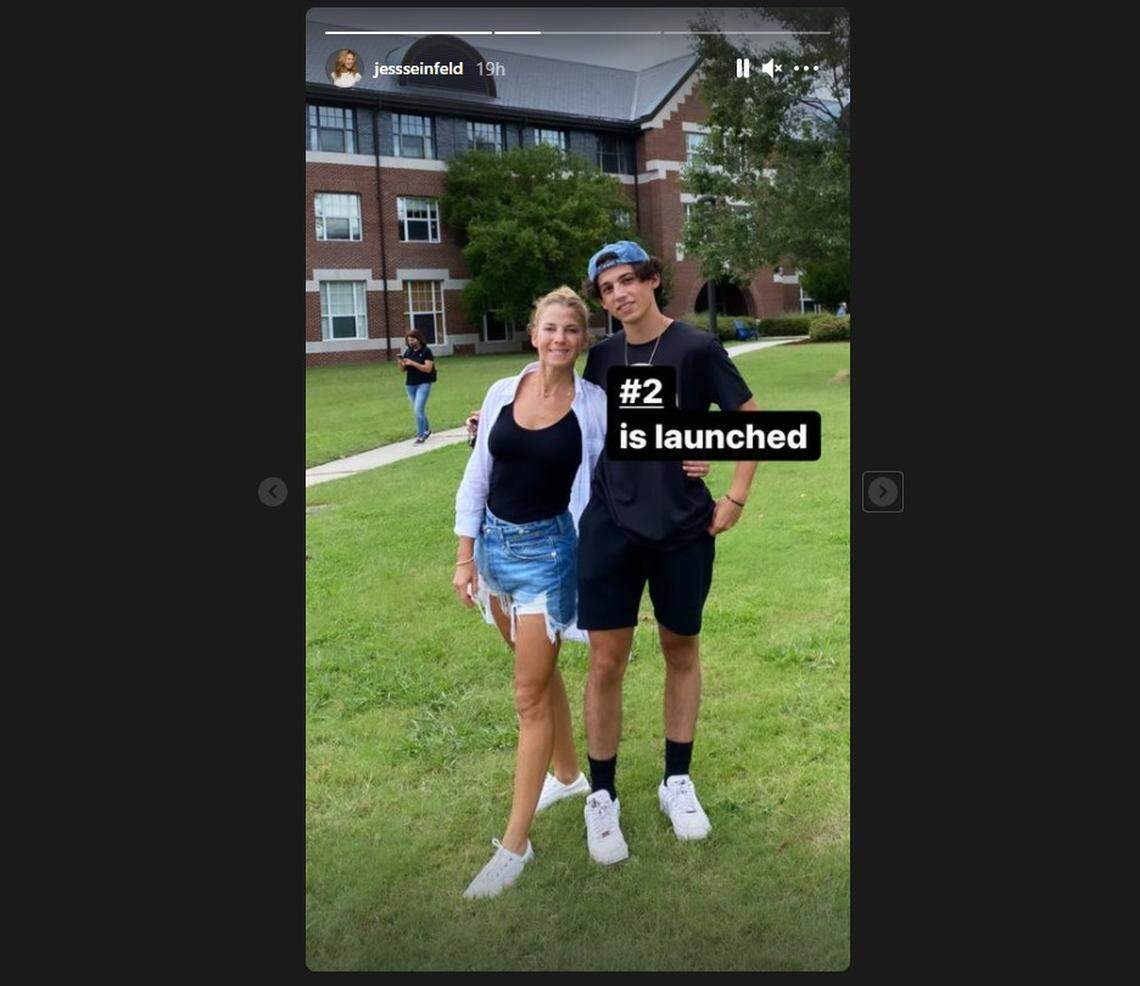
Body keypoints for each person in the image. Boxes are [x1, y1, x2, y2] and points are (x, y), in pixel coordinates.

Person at [453, 286, 710, 898]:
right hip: (494, 554)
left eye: (572, 329)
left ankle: (515, 847)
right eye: (550, 328)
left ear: (584, 339)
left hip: (551, 555)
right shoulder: (500, 392)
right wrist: (464, 556)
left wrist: (700, 448)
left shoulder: (595, 403)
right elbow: (478, 474)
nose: (560, 338)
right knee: (539, 676)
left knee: (528, 693)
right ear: (533, 333)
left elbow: (649, 434)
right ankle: (567, 775)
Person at [575, 241, 761, 865]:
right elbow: (573, 421)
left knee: (680, 647)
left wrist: (733, 494)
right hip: (610, 527)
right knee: (606, 659)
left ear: (654, 281)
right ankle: (601, 797)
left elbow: (750, 417)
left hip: (683, 527)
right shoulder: (600, 358)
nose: (620, 294)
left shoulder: (696, 349)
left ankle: (675, 780)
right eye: (607, 289)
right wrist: (486, 420)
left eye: (629, 281)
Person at [399, 330, 435, 444]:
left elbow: (428, 368)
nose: (411, 342)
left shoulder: (426, 351)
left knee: (418, 409)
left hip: (423, 383)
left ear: (419, 339)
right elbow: (402, 370)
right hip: (410, 384)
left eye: (413, 340)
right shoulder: (408, 352)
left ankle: (421, 435)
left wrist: (412, 363)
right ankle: (427, 429)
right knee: (418, 409)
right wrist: (401, 362)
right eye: (409, 340)